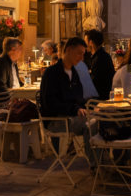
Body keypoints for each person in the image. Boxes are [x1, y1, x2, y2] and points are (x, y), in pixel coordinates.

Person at [38, 36, 95, 166]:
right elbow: (50, 103)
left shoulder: (75, 73)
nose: (81, 58)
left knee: (101, 119)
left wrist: (87, 107)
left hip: (71, 116)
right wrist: (75, 109)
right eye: (79, 53)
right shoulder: (52, 73)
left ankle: (100, 162)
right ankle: (95, 165)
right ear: (69, 50)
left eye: (83, 54)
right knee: (92, 126)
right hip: (56, 120)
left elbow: (79, 97)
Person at [85, 29, 114, 101]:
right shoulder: (103, 56)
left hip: (99, 99)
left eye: (86, 42)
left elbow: (94, 83)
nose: (85, 45)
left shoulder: (99, 59)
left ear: (91, 42)